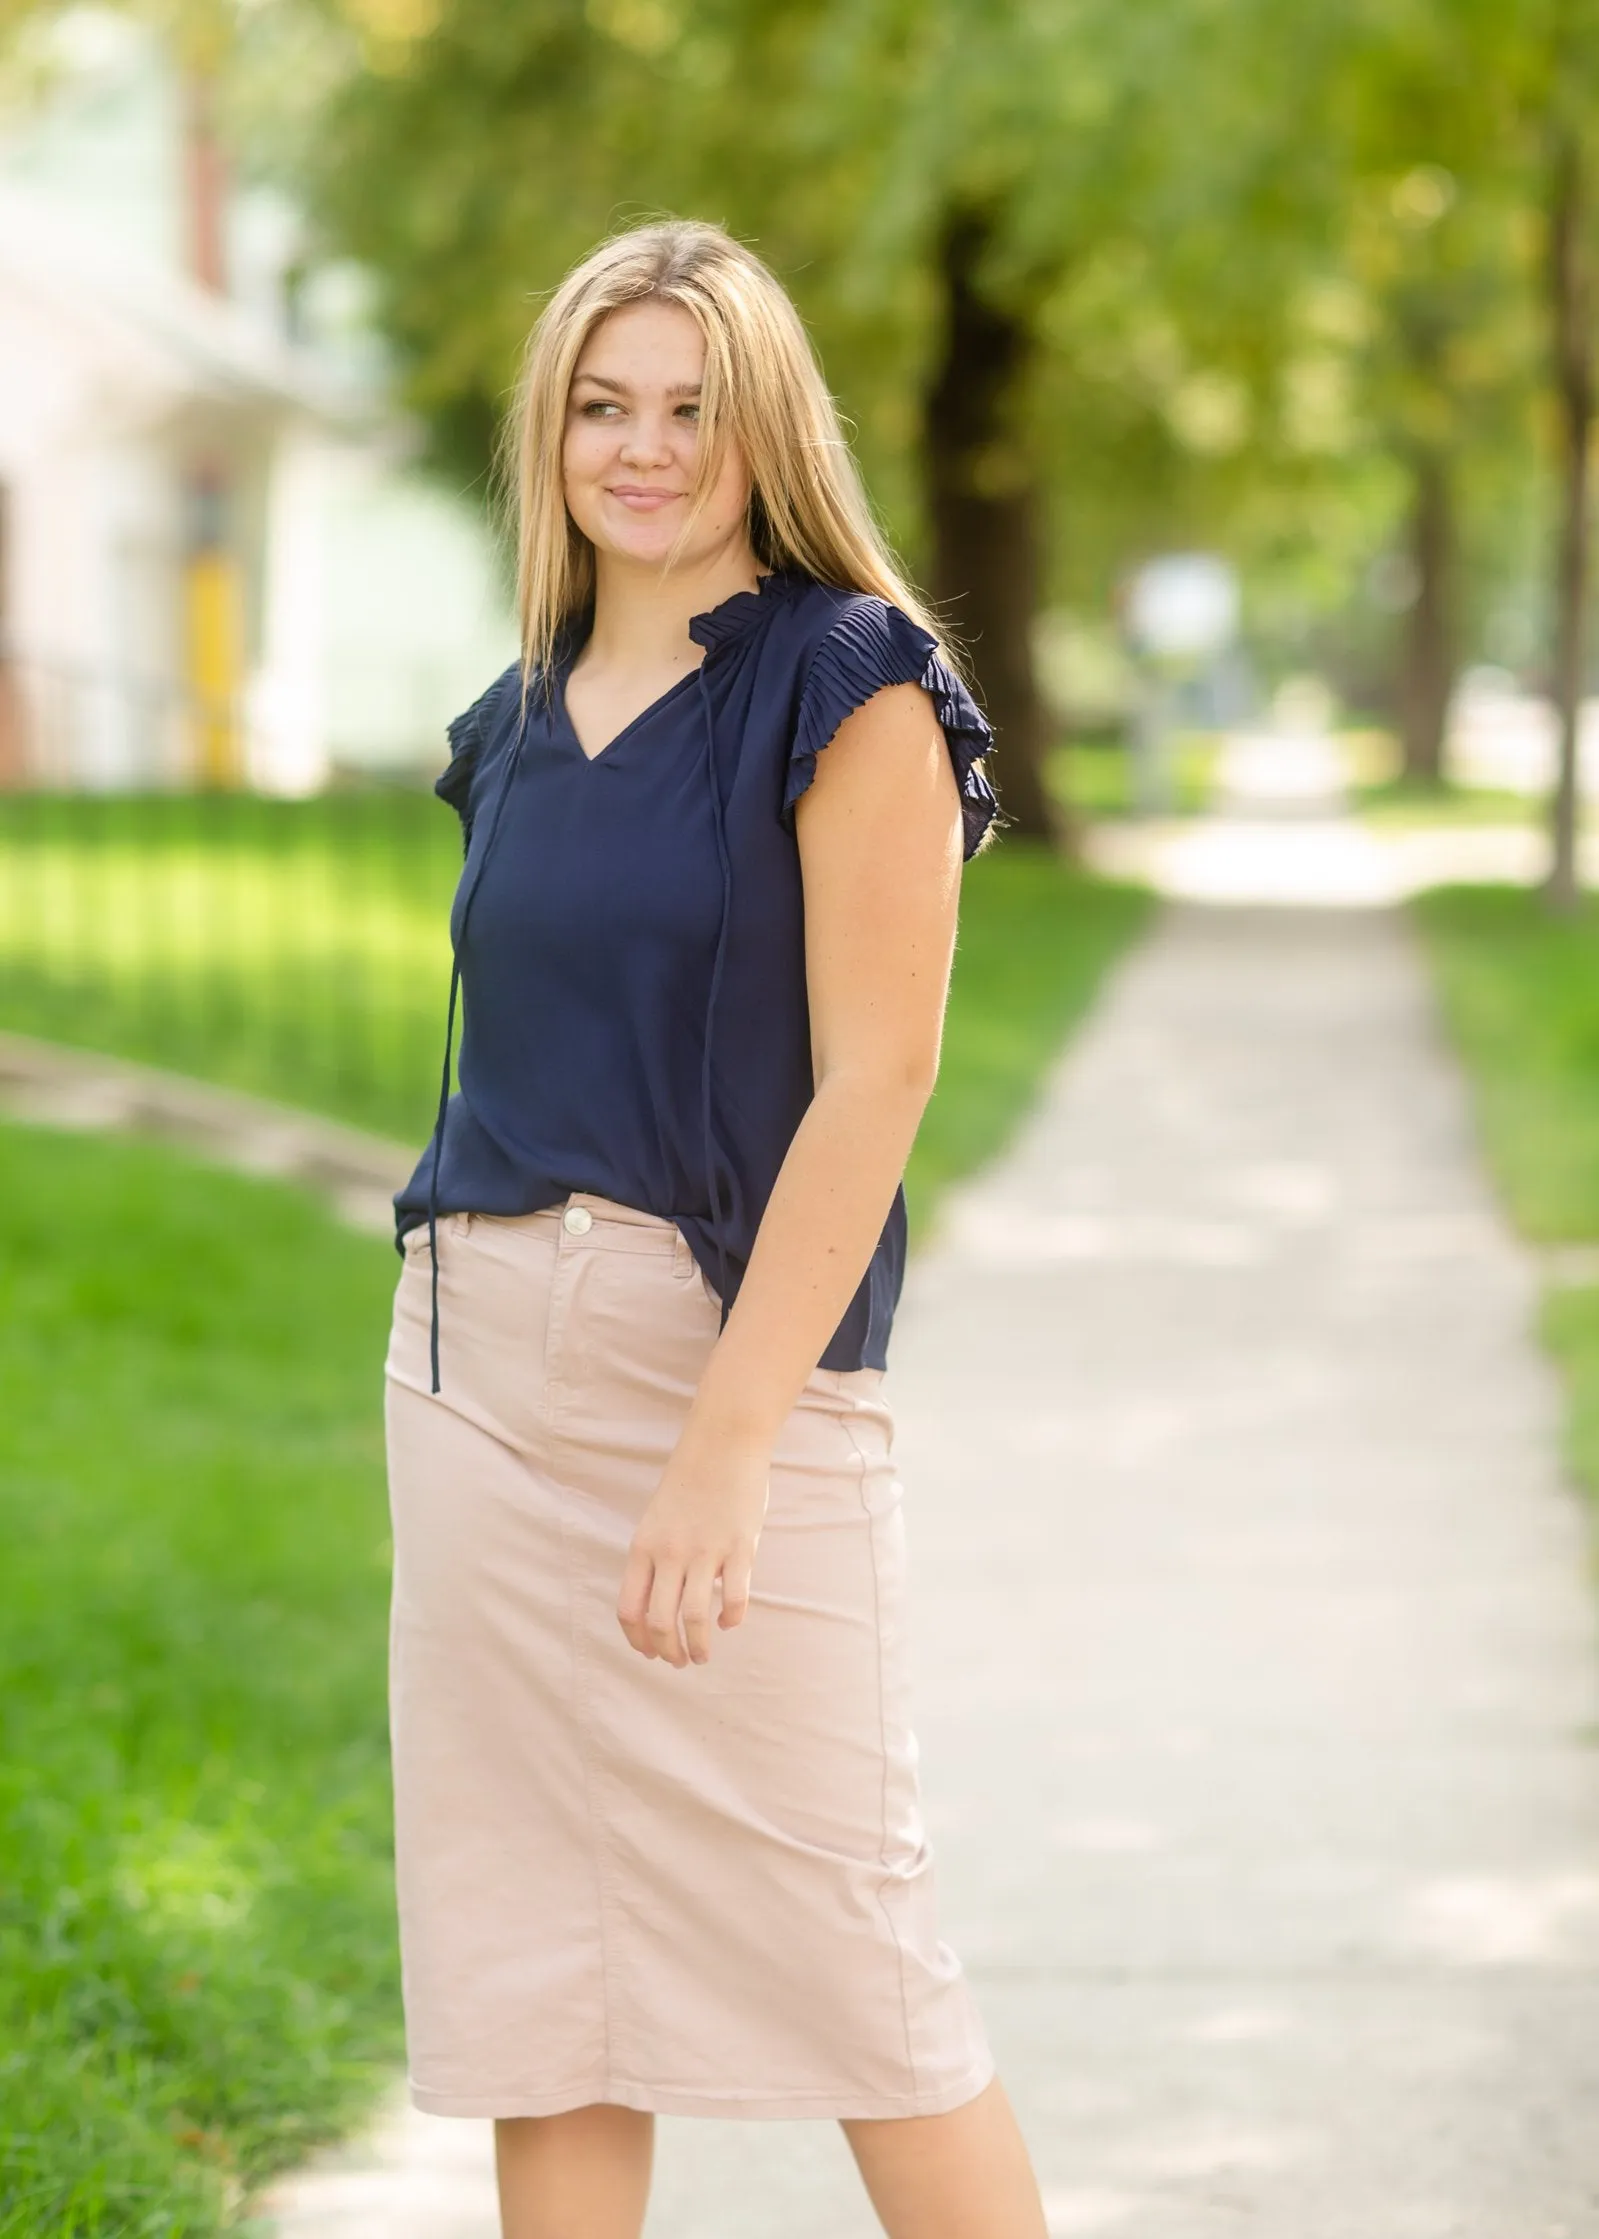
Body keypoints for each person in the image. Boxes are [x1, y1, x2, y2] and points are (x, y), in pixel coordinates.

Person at [383, 216, 1048, 2239]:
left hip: (723, 1359)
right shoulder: (514, 720)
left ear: (764, 430)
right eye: (603, 405)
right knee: (538, 1985)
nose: (642, 446)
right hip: (474, 1364)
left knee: (863, 1977)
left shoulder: (848, 682)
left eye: (689, 407)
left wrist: (726, 1446)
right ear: (553, 432)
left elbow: (876, 1083)